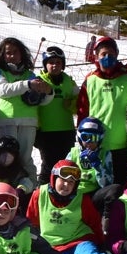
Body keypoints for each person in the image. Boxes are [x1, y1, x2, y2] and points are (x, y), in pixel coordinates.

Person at [26, 159, 127, 254]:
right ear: (53, 179)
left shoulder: (81, 198)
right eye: (63, 180)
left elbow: (94, 222)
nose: (66, 185)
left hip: (78, 242)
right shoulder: (39, 195)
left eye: (71, 182)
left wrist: (101, 243)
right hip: (52, 246)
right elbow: (31, 223)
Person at [0, 37, 50, 180]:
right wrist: (27, 85)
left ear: (22, 54)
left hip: (28, 121)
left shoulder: (29, 74)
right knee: (6, 158)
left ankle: (28, 191)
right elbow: (2, 90)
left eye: (15, 52)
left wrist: (49, 92)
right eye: (8, 53)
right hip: (7, 120)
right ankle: (7, 190)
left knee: (25, 158)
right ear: (2, 56)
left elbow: (43, 100)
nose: (11, 56)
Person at [76, 36, 127, 185]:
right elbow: (82, 110)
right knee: (97, 185)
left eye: (111, 54)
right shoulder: (91, 80)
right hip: (96, 145)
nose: (107, 57)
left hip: (121, 144)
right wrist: (82, 139)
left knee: (120, 185)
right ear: (97, 56)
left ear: (117, 55)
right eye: (103, 54)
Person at [34, 46, 78, 184]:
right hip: (46, 132)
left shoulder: (69, 82)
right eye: (51, 62)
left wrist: (70, 104)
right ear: (45, 64)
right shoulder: (39, 81)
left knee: (65, 164)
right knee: (48, 166)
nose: (55, 65)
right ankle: (43, 192)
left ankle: (64, 191)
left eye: (58, 62)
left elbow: (80, 102)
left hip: (66, 131)